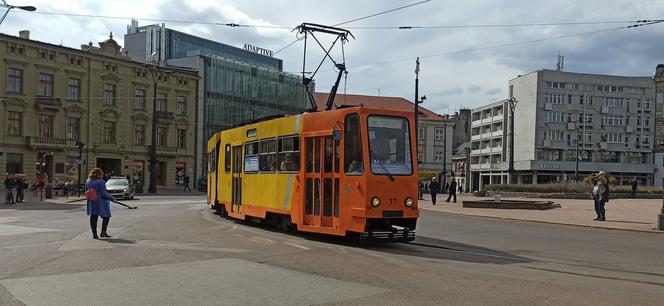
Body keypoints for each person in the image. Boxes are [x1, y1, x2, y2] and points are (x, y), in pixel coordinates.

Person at [86, 168, 115, 239]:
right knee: (106, 216)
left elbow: (86, 191)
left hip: (92, 202)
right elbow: (103, 193)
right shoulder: (101, 182)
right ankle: (103, 231)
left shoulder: (88, 181)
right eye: (101, 173)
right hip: (101, 202)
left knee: (93, 217)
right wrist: (112, 198)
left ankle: (94, 234)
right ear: (99, 174)